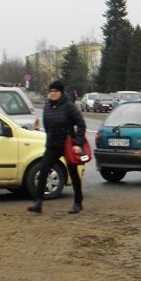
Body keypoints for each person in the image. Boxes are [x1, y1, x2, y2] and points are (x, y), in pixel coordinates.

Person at [29, 79, 87, 215]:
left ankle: (78, 202)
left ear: (61, 93)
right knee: (43, 171)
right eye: (51, 91)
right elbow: (47, 125)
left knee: (73, 173)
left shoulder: (69, 106)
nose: (53, 94)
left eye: (56, 91)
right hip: (52, 145)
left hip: (67, 145)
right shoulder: (47, 106)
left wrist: (77, 143)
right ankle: (38, 202)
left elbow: (81, 124)